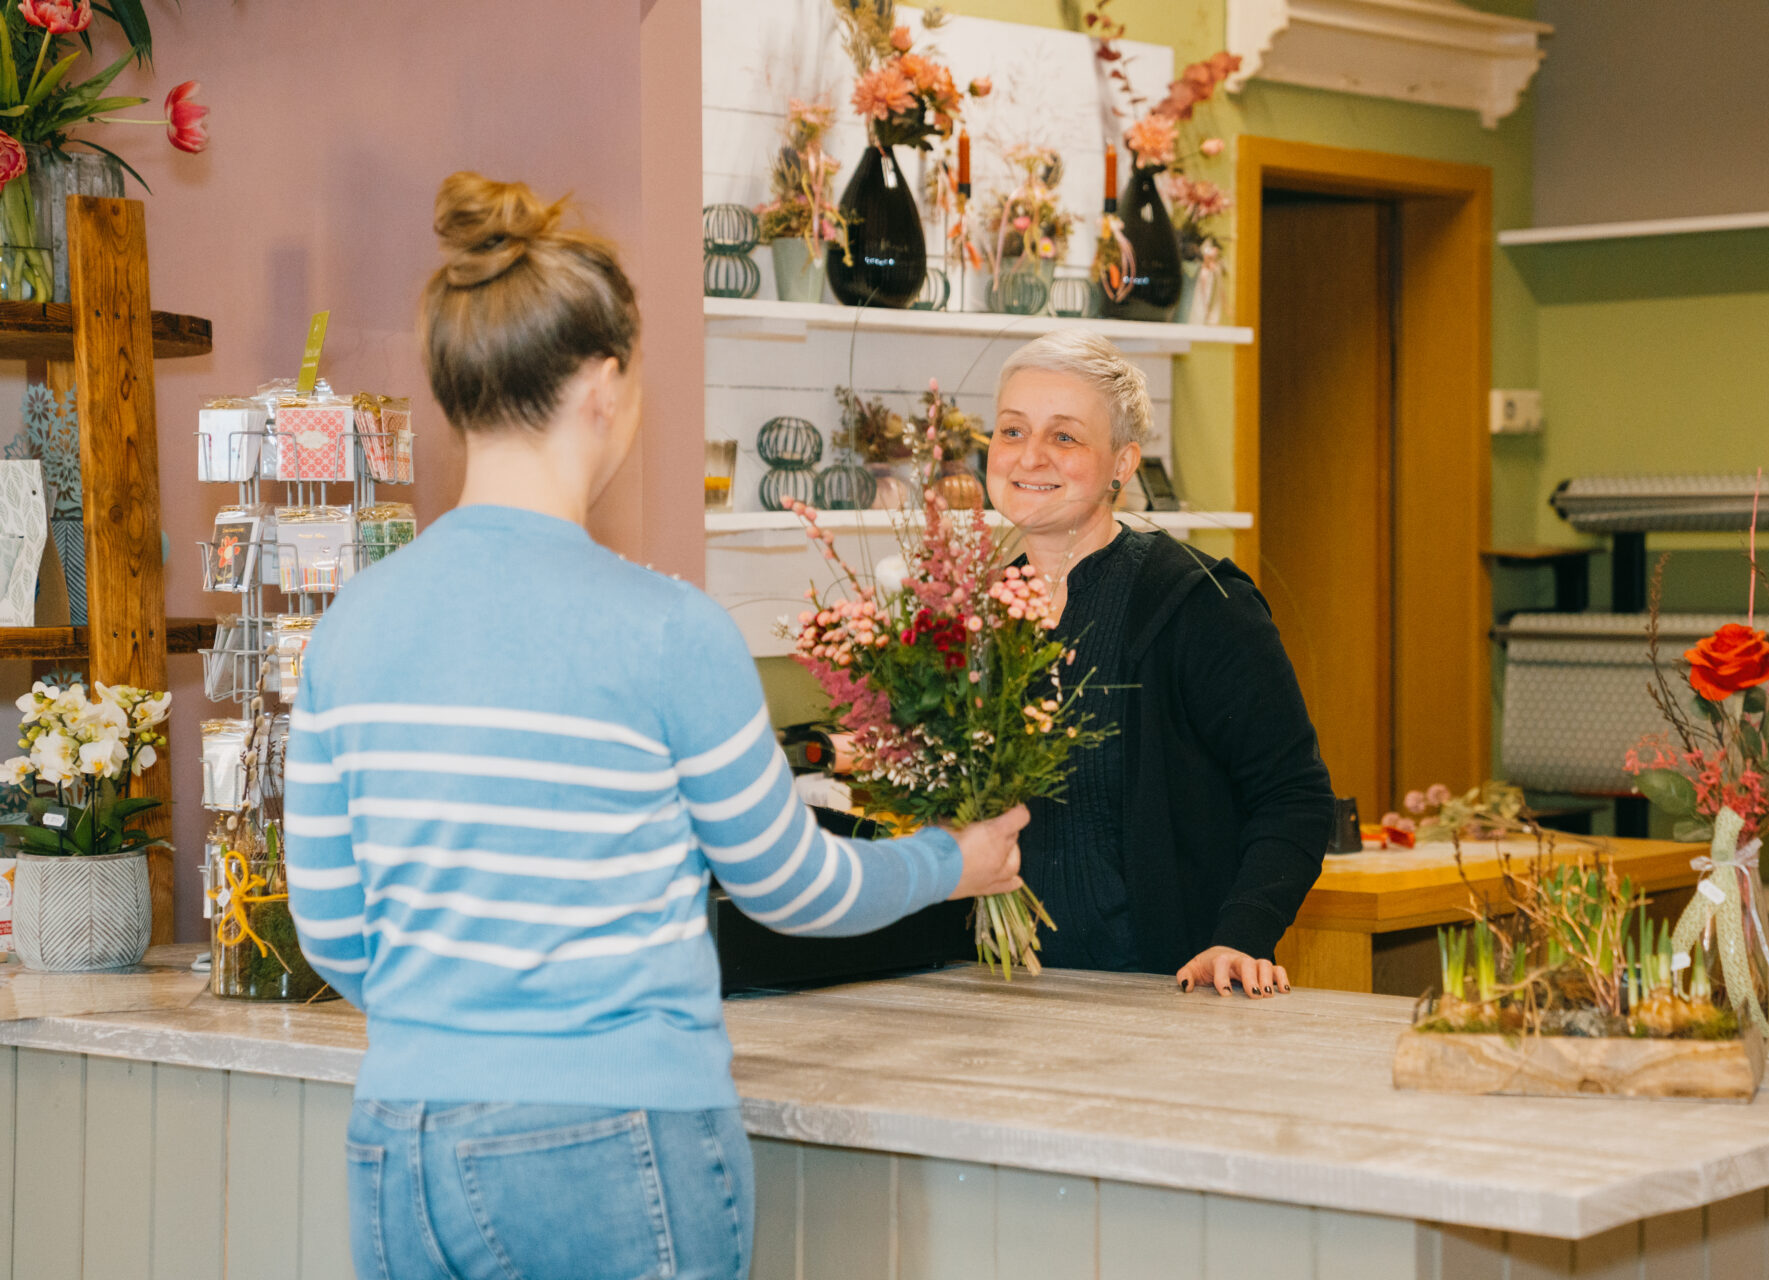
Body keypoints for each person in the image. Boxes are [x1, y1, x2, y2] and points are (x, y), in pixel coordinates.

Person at [284, 173, 1027, 1280]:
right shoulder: (668, 628)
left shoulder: (350, 629)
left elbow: (335, 935)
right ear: (601, 384)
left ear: (458, 395)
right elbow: (790, 887)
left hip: (404, 1138)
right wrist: (950, 862)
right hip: (612, 1136)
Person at [984, 330, 1334, 999]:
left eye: (1065, 437)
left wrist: (1240, 936)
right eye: (1011, 431)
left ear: (1123, 463)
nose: (1030, 456)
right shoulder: (975, 616)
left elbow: (1293, 796)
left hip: (1164, 995)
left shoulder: (1199, 604)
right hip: (1000, 992)